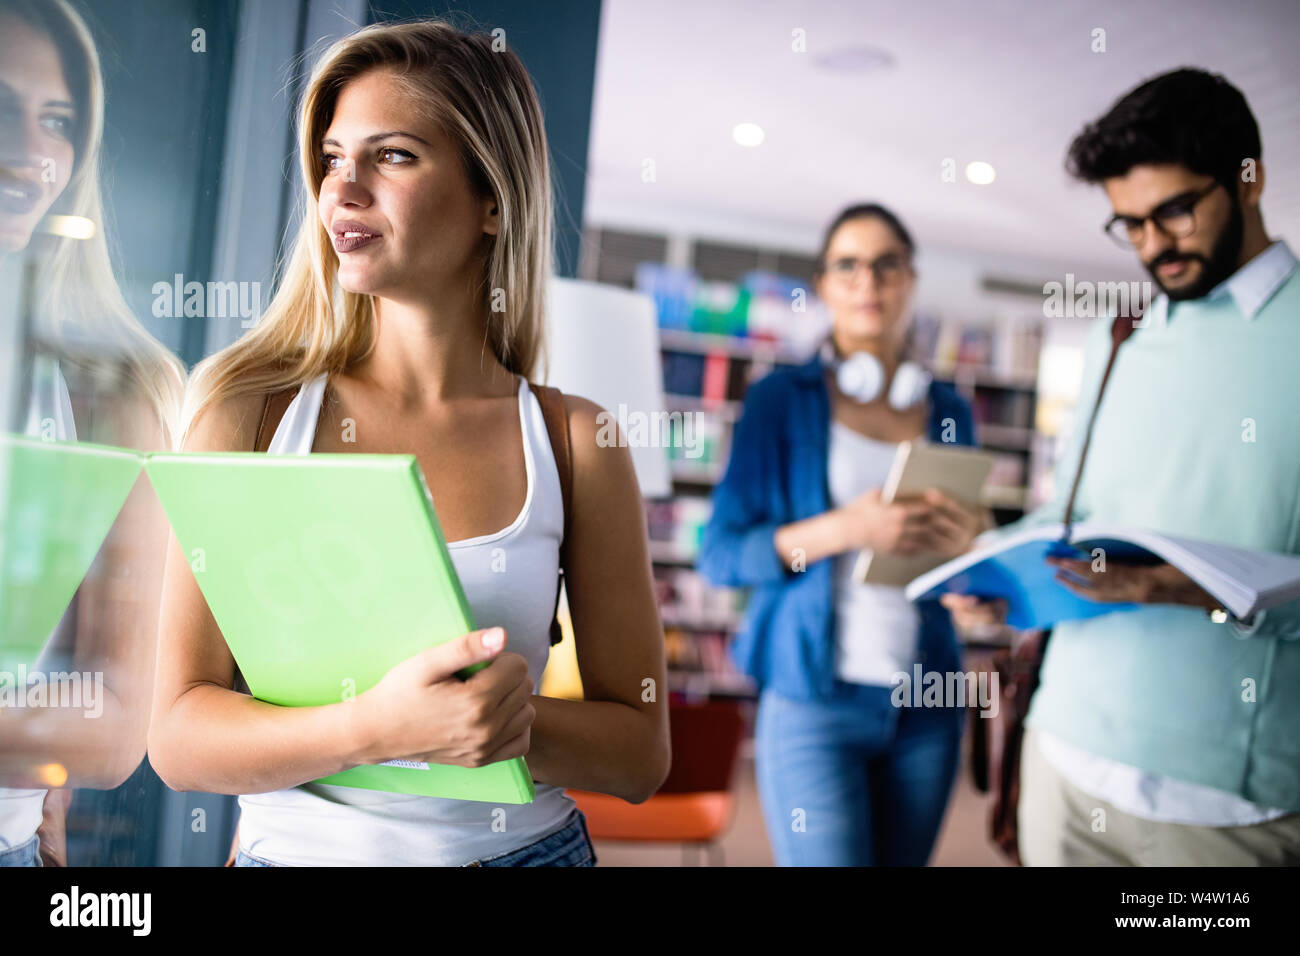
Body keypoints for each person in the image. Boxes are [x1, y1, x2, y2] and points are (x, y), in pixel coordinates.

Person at [147, 19, 669, 867]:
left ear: (492, 199)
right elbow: (175, 738)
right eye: (330, 158)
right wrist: (376, 728)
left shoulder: (576, 441)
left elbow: (640, 755)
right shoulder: (250, 417)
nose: (341, 190)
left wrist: (516, 721)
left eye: (391, 156)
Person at [946, 68, 1300, 865]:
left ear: (1250, 180)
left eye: (1173, 212)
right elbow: (1076, 510)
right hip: (1063, 756)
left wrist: (1176, 587)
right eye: (1128, 223)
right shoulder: (1125, 334)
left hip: (1228, 802)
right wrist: (994, 568)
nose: (1150, 246)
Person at [698, 203, 987, 866]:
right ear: (824, 284)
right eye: (848, 265)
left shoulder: (948, 409)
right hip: (812, 700)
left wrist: (971, 567)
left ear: (910, 280)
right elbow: (721, 555)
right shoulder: (780, 400)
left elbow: (959, 547)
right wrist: (846, 529)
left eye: (887, 265)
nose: (869, 282)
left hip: (926, 702)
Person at [0, 0, 183, 867]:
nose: (31, 153)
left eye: (58, 121)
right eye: (1, 109)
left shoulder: (117, 393)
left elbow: (112, 727)